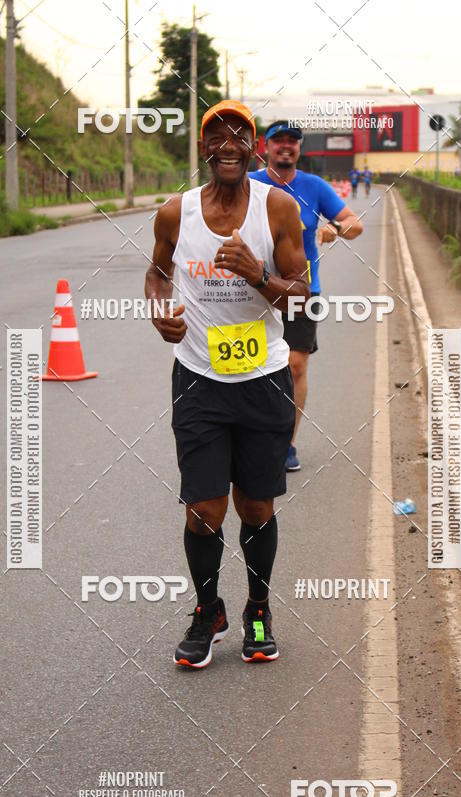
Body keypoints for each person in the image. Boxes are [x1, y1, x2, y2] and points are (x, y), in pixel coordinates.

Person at [145, 100, 310, 668]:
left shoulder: (279, 209)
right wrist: (159, 308)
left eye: (241, 134)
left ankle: (257, 609)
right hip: (198, 380)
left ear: (253, 147)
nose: (230, 144)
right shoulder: (176, 213)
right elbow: (157, 271)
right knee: (204, 509)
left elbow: (301, 295)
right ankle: (208, 609)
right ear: (204, 149)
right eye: (217, 135)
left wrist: (258, 274)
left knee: (256, 507)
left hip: (263, 379)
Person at [250, 122, 362, 471]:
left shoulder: (313, 186)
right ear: (264, 147)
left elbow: (355, 223)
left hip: (302, 290)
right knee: (251, 368)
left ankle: (287, 443)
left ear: (299, 149)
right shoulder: (250, 184)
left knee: (295, 365)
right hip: (254, 290)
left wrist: (335, 228)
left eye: (292, 142)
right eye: (278, 141)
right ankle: (252, 438)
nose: (285, 147)